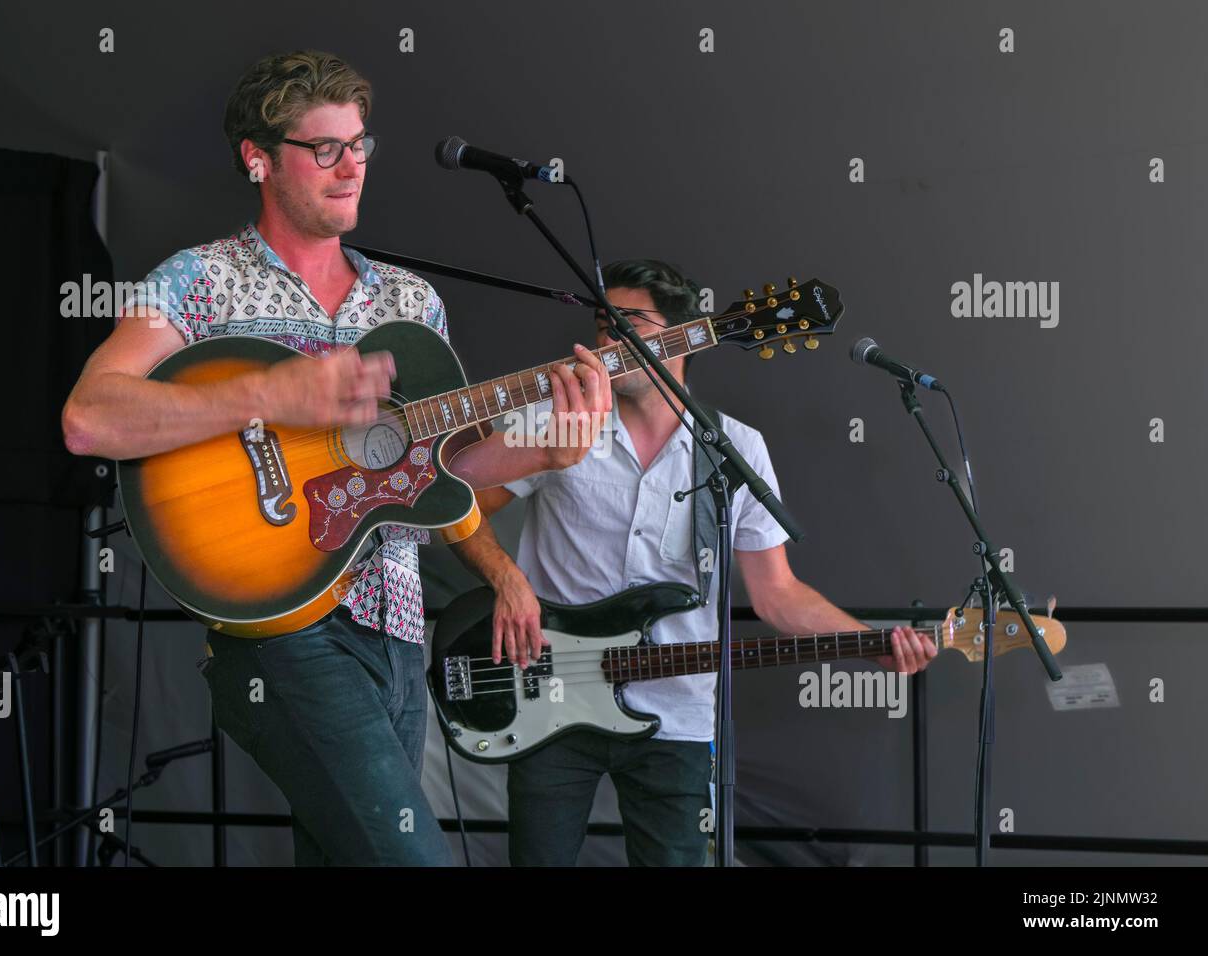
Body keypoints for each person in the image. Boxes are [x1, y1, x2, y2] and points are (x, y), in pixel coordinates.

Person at [60, 50, 611, 865]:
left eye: (359, 145)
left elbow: (434, 473)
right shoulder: (199, 280)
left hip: (398, 634)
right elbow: (88, 417)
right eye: (325, 148)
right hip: (285, 634)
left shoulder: (409, 302)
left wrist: (546, 453)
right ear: (258, 158)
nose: (351, 166)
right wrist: (271, 398)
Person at [474, 259, 938, 866]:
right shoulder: (555, 423)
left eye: (628, 324)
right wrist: (506, 578)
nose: (608, 343)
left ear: (680, 335)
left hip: (678, 714)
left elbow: (776, 595)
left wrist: (866, 642)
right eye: (602, 326)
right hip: (548, 698)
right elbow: (457, 507)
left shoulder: (735, 449)